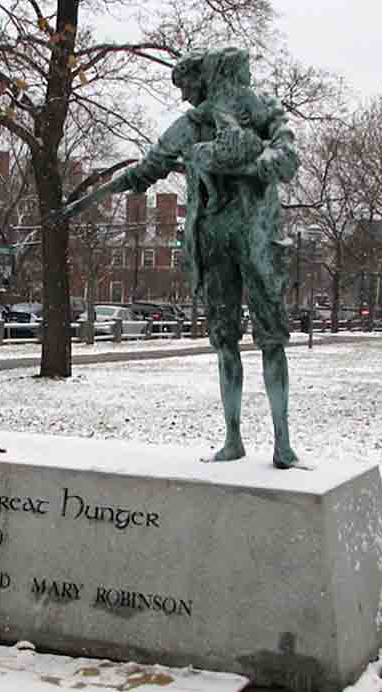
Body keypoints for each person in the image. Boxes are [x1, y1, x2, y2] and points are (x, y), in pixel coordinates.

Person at [60, 47, 301, 468]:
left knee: (271, 340)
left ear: (207, 79)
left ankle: (283, 444)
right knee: (225, 341)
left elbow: (288, 159)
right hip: (212, 240)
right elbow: (144, 171)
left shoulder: (261, 109)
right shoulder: (188, 127)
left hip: (256, 238)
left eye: (190, 88)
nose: (187, 98)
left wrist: (241, 162)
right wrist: (85, 202)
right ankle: (233, 439)